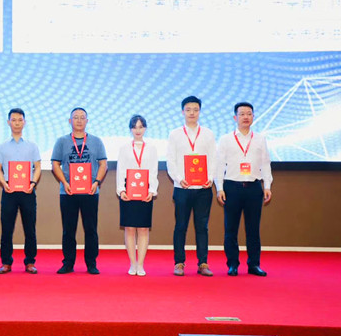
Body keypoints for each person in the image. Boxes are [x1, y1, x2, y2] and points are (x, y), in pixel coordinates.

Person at [215, 102, 272, 277]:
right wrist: (219, 188)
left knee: (253, 229)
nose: (246, 117)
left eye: (249, 114)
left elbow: (265, 163)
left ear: (253, 117)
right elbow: (219, 165)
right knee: (230, 229)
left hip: (254, 188)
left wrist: (267, 185)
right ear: (235, 117)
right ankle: (232, 264)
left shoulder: (260, 139)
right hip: (232, 187)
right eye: (242, 114)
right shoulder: (225, 139)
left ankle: (254, 264)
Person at [51, 107, 107, 275]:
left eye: (83, 117)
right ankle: (68, 263)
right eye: (76, 117)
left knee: (91, 229)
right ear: (70, 121)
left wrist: (96, 182)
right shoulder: (62, 141)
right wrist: (64, 182)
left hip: (90, 192)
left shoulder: (96, 141)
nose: (79, 120)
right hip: (68, 192)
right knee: (68, 230)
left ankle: (91, 263)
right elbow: (55, 164)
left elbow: (103, 164)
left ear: (87, 121)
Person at [166, 96, 217, 276]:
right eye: (188, 110)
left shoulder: (208, 134)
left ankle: (203, 263)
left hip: (203, 189)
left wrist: (210, 178)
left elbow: (213, 159)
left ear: (200, 112)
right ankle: (179, 263)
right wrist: (179, 179)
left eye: (195, 110)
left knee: (202, 227)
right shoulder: (175, 134)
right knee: (181, 226)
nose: (192, 113)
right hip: (182, 188)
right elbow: (170, 160)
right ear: (183, 112)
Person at [0, 108, 42, 274]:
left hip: (28, 190)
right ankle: (6, 262)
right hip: (9, 190)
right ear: (9, 122)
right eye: (13, 120)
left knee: (30, 228)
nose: (17, 123)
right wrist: (3, 183)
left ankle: (30, 262)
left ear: (24, 122)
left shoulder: (32, 146)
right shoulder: (2, 147)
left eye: (20, 120)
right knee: (7, 228)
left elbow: (38, 166)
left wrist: (33, 183)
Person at [116, 115, 159, 276]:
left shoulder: (152, 148)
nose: (138, 130)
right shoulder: (124, 148)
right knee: (129, 229)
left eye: (141, 127)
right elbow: (120, 170)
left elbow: (153, 171)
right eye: (134, 127)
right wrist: (121, 190)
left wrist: (152, 191)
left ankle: (140, 264)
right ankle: (132, 264)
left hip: (145, 192)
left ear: (145, 128)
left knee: (143, 229)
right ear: (130, 129)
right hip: (128, 191)